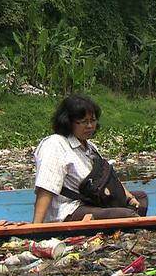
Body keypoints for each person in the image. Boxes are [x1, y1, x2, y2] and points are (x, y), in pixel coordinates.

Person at [32, 94, 148, 223]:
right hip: (69, 209)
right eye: (83, 122)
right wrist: (36, 225)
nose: (89, 126)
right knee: (128, 216)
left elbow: (108, 177)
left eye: (92, 121)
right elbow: (46, 187)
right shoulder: (55, 144)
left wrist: (129, 198)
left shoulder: (90, 147)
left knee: (141, 198)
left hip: (93, 202)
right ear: (68, 122)